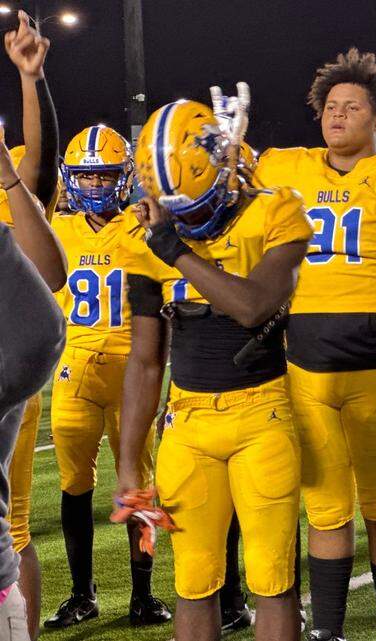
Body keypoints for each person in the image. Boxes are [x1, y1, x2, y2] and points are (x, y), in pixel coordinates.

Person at [252, 49, 376, 641]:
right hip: (305, 366)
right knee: (326, 510)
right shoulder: (285, 166)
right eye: (330, 107)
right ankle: (329, 632)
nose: (337, 116)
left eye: (352, 107)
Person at [116, 97, 312, 641]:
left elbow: (252, 307)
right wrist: (131, 465)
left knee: (272, 581)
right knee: (193, 579)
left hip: (262, 415)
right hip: (188, 423)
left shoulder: (276, 212)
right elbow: (146, 357)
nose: (190, 220)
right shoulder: (147, 240)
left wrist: (175, 250)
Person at [43, 125, 172, 630]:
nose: (94, 186)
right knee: (74, 485)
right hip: (74, 370)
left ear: (123, 179)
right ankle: (82, 594)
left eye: (103, 176)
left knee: (138, 487)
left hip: (131, 371)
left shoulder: (142, 227)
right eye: (85, 176)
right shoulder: (55, 227)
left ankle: (143, 593)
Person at [0, 12, 64, 638]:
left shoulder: (9, 187)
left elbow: (37, 159)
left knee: (12, 522)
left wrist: (29, 77)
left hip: (5, 372)